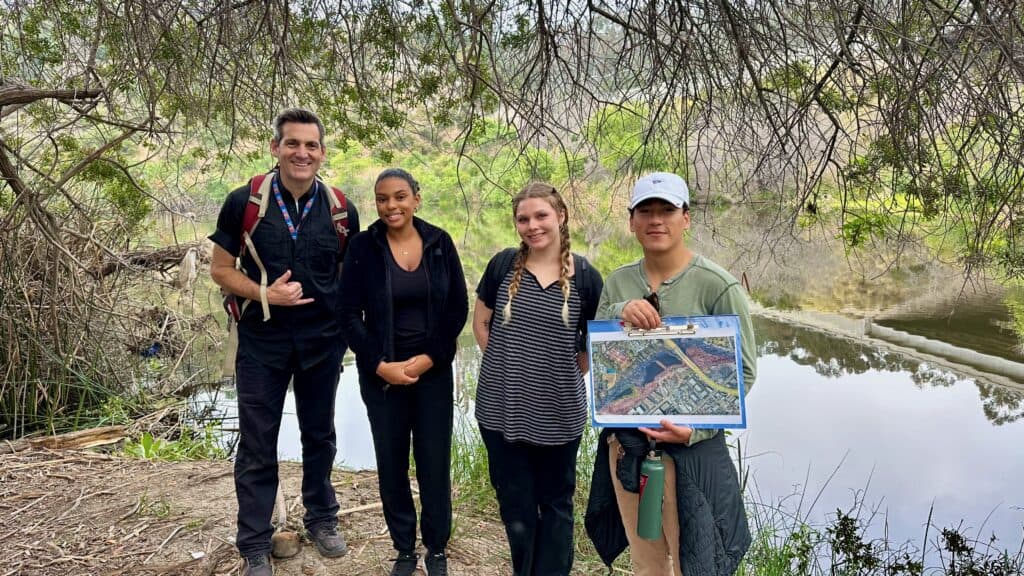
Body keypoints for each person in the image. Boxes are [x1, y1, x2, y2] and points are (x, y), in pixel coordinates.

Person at [209, 108, 360, 576]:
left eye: (311, 145)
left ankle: (321, 518)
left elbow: (349, 277)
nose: (302, 153)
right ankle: (254, 543)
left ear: (322, 153)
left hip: (322, 344)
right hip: (261, 341)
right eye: (292, 143)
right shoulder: (245, 203)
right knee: (257, 441)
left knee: (321, 435)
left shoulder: (340, 210)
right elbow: (220, 269)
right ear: (275, 148)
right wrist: (264, 293)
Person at [584, 172, 757, 576]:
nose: (656, 220)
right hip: (625, 449)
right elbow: (601, 353)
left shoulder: (718, 285)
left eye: (666, 210)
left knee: (695, 559)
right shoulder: (618, 281)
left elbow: (744, 372)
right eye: (646, 211)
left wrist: (693, 429)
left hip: (690, 454)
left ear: (686, 218)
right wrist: (618, 311)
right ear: (631, 221)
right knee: (645, 562)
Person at [339, 168, 468, 576]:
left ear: (416, 198)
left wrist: (431, 357)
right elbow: (347, 314)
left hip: (432, 373)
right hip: (383, 376)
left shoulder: (439, 243)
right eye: (382, 199)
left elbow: (457, 309)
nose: (391, 206)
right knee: (391, 463)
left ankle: (436, 548)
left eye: (399, 197)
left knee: (434, 461)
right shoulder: (363, 246)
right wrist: (380, 364)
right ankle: (403, 549)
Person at [473, 183, 603, 576]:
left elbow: (591, 349)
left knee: (557, 506)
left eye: (541, 216)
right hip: (500, 410)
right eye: (523, 219)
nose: (532, 226)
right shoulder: (501, 265)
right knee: (515, 505)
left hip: (560, 415)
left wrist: (553, 376)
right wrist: (509, 369)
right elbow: (481, 324)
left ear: (560, 216)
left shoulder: (586, 278)